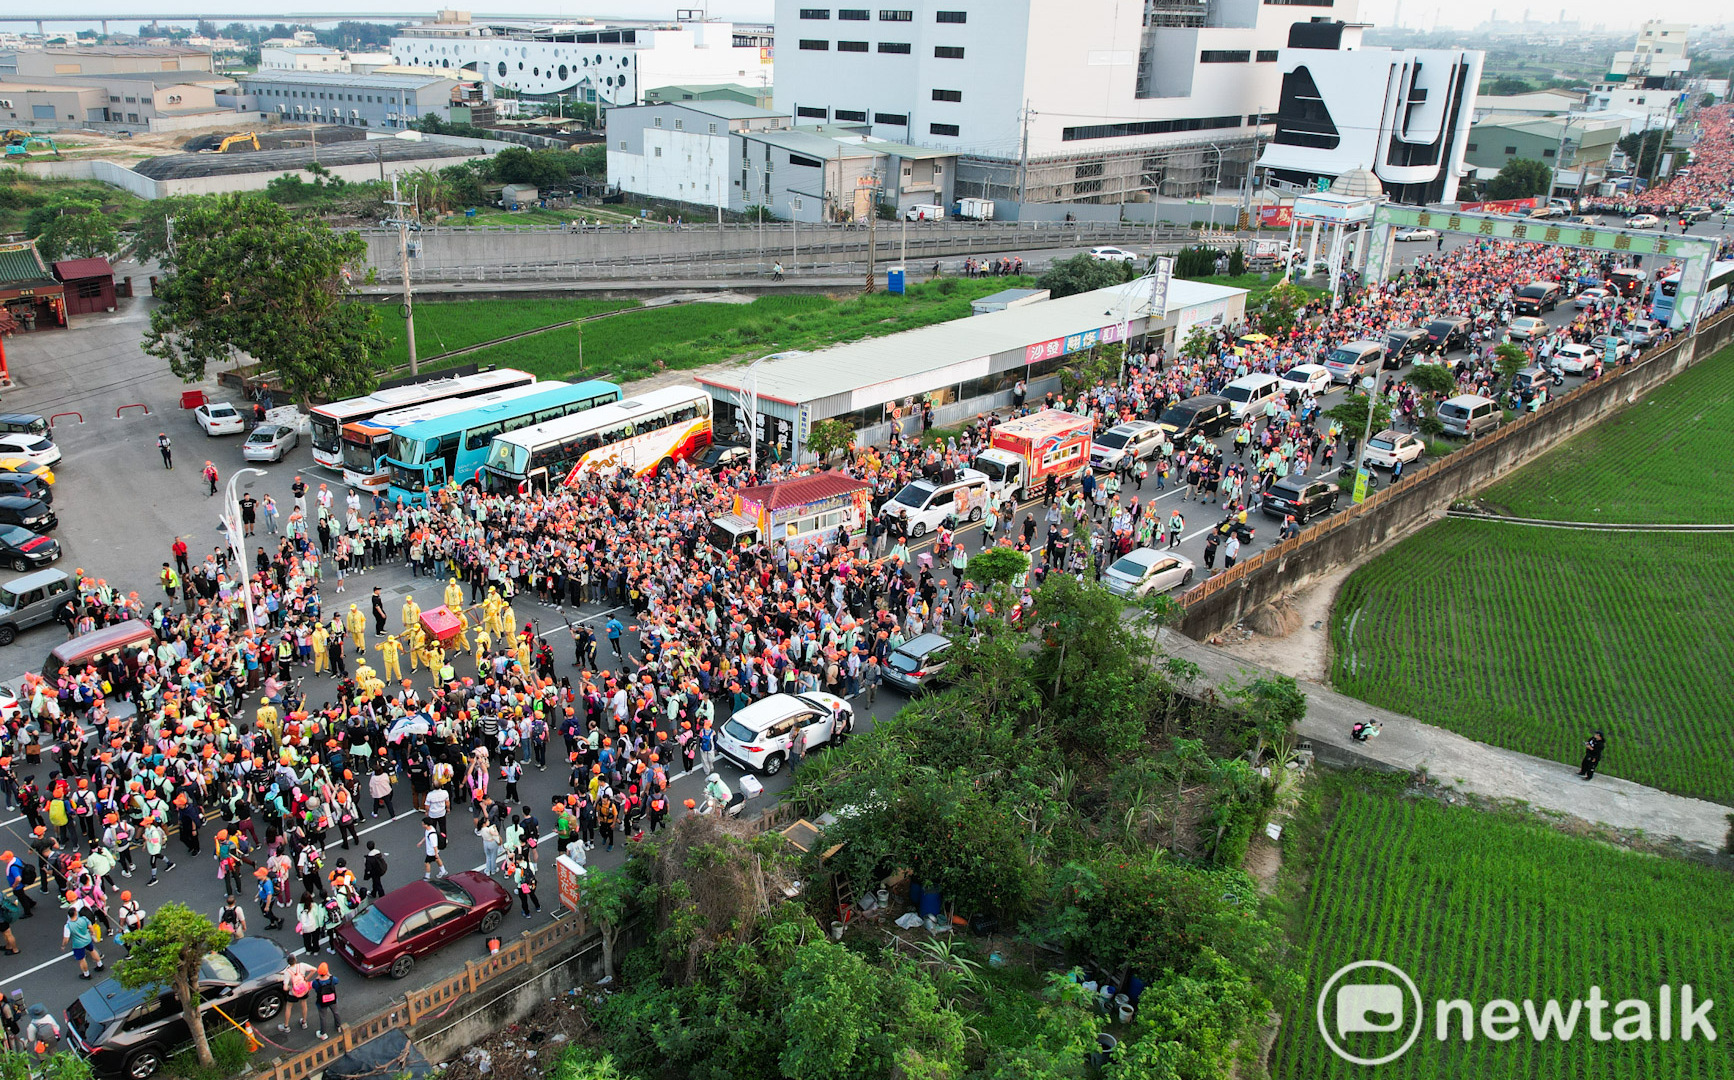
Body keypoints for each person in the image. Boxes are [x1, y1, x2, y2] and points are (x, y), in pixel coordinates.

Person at [61, 906, 103, 979]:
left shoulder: (68, 926)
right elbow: (90, 927)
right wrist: (92, 933)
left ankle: (86, 974)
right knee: (92, 950)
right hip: (87, 939)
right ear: (76, 913)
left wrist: (63, 945)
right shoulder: (84, 919)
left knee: (82, 959)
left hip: (78, 944)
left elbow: (66, 939)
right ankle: (100, 965)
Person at [278, 958, 317, 1034]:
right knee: (304, 1004)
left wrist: (291, 988)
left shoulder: (287, 972)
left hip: (293, 993)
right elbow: (314, 969)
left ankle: (286, 1026)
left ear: (288, 963)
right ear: (295, 960)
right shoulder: (302, 965)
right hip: (304, 990)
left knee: (289, 1007)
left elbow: (285, 988)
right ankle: (304, 1022)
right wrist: (306, 979)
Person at [311, 963, 342, 1038]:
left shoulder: (316, 982)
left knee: (323, 1017)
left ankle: (323, 1033)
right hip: (332, 999)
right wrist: (330, 975)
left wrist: (316, 978)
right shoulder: (332, 979)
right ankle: (338, 1026)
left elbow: (313, 986)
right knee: (336, 1012)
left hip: (321, 1001)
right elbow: (337, 981)